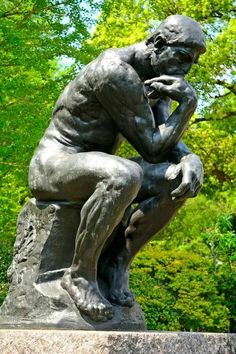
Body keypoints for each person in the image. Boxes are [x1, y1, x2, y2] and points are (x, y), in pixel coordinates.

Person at [28, 15, 206, 322]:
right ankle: (80, 276)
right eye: (182, 57)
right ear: (158, 44)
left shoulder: (155, 77)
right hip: (55, 164)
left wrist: (191, 159)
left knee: (176, 179)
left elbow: (165, 134)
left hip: (97, 166)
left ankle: (115, 265)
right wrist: (188, 105)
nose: (186, 69)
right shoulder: (115, 71)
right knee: (125, 174)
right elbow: (152, 147)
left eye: (193, 62)